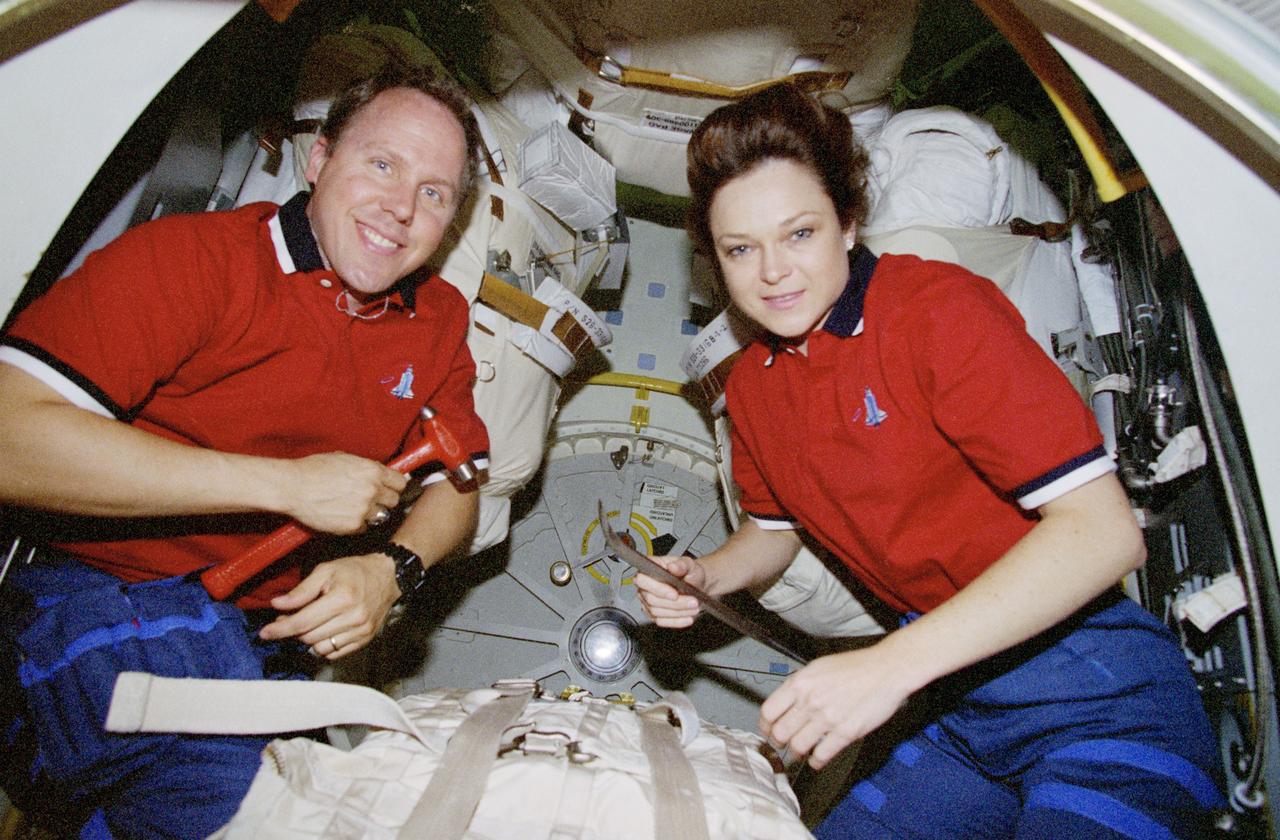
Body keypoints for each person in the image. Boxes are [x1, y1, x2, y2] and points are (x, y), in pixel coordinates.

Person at [635, 83, 1224, 839]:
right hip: (958, 711)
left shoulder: (937, 311)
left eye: (800, 234)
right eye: (741, 249)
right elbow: (775, 530)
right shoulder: (752, 388)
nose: (773, 271)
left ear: (848, 223)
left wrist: (887, 667)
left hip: (1091, 695)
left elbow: (1104, 533)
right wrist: (710, 574)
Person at [0, 62, 490, 838]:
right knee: (261, 812)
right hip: (99, 599)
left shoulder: (437, 317)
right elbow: (9, 438)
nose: (401, 207)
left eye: (435, 193)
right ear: (318, 160)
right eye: (382, 163)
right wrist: (283, 486)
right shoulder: (193, 260)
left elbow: (460, 484)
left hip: (260, 640)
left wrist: (391, 569)